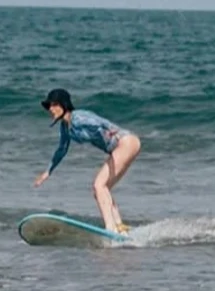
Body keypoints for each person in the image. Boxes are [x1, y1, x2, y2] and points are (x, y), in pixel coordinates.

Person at [33, 88, 142, 233]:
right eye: (49, 106)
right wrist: (48, 172)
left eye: (54, 105)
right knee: (102, 189)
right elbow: (61, 150)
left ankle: (110, 229)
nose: (50, 109)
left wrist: (110, 129)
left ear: (63, 104)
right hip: (123, 146)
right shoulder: (66, 127)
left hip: (125, 142)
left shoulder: (78, 118)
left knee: (99, 185)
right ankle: (119, 227)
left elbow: (99, 121)